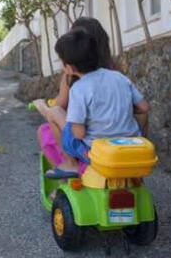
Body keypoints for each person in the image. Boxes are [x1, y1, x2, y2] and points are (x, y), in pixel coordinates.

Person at [36, 24, 149, 179]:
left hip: (95, 153)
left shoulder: (79, 88)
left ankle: (70, 164)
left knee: (55, 112)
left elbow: (79, 133)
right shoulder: (119, 77)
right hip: (130, 146)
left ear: (68, 67)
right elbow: (143, 107)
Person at [34, 18, 116, 178]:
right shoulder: (114, 72)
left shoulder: (72, 78)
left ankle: (68, 172)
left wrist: (42, 106)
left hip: (89, 143)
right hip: (118, 140)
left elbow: (60, 106)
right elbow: (142, 108)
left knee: (46, 128)